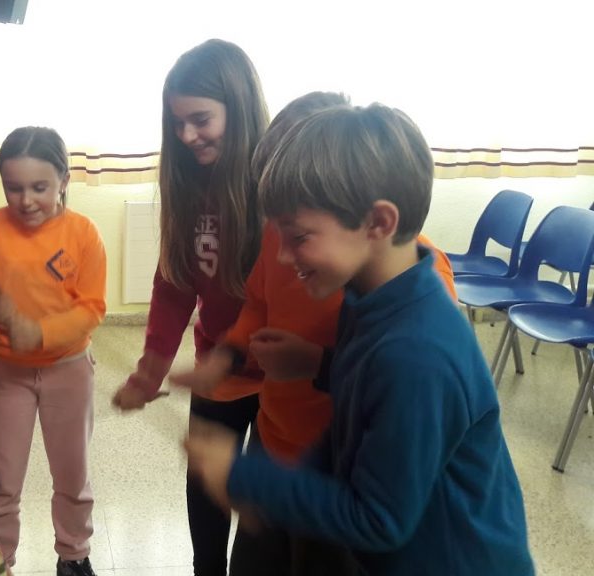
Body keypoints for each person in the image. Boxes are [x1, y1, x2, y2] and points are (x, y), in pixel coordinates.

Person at [184, 103, 534, 574]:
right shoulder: (369, 298)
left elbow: (376, 520)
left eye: (299, 237)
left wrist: (243, 476)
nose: (281, 257)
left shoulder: (417, 354)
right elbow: (358, 400)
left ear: (379, 223)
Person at [110, 39, 270, 576]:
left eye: (200, 120)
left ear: (239, 109)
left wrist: (231, 355)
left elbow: (281, 299)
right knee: (205, 494)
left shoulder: (276, 186)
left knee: (262, 512)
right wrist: (151, 368)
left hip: (281, 379)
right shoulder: (188, 184)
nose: (186, 135)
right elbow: (175, 283)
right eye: (177, 123)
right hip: (216, 374)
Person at [0, 127, 107, 576]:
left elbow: (92, 308)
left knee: (72, 473)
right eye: (14, 188)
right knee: (0, 479)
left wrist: (42, 333)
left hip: (69, 370)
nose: (26, 200)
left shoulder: (83, 233)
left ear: (63, 180)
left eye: (39, 187)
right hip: (5, 372)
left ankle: (74, 554)